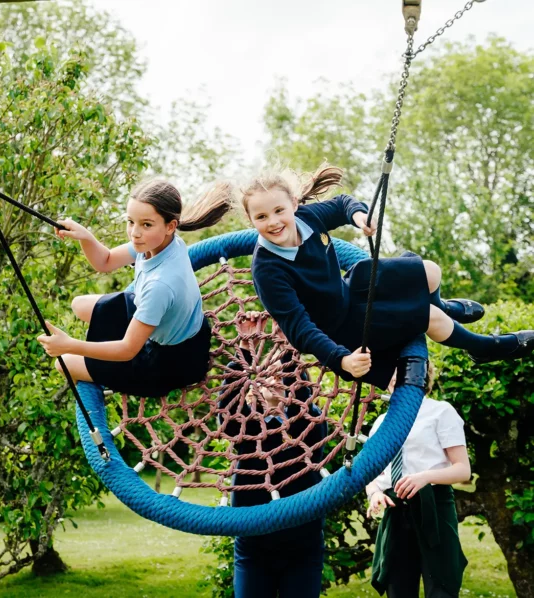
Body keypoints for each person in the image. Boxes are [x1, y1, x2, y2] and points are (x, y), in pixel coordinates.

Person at [224, 163, 533, 390]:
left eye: (279, 210)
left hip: (347, 292)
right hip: (340, 331)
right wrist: (341, 360)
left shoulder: (307, 216)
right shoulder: (267, 270)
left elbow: (343, 203)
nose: (274, 222)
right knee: (430, 318)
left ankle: (447, 307)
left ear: (293, 204)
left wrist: (359, 216)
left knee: (430, 270)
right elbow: (300, 329)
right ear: (251, 220)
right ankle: (483, 347)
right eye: (261, 217)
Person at [36, 179, 230, 397]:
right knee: (79, 305)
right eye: (130, 222)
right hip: (175, 324)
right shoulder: (157, 242)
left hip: (169, 363)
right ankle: (106, 352)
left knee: (64, 363)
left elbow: (127, 349)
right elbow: (105, 261)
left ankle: (110, 370)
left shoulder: (161, 284)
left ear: (170, 226)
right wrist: (85, 236)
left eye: (146, 224)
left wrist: (70, 345)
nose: (135, 233)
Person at [219, 312, 327, 598]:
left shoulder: (311, 422)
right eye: (269, 374)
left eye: (283, 375)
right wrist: (244, 347)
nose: (276, 380)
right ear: (255, 384)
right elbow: (228, 413)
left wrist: (285, 343)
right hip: (254, 543)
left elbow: (302, 404)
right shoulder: (248, 425)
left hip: (302, 544)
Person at [365, 365, 471, 597]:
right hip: (396, 511)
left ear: (418, 374)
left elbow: (463, 470)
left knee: (440, 588)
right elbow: (370, 474)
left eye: (399, 370)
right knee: (398, 589)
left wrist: (425, 477)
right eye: (389, 372)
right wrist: (374, 493)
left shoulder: (441, 411)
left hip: (434, 507)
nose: (392, 378)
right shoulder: (382, 421)